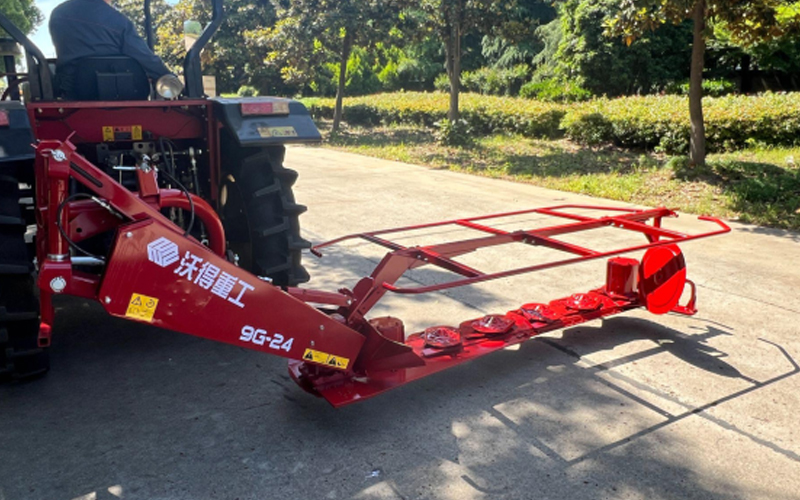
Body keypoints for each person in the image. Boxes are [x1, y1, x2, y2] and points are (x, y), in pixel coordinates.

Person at [49, 0, 172, 98]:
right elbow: (145, 57)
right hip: (120, 92)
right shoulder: (118, 21)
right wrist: (170, 78)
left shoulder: (58, 14)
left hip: (72, 91)